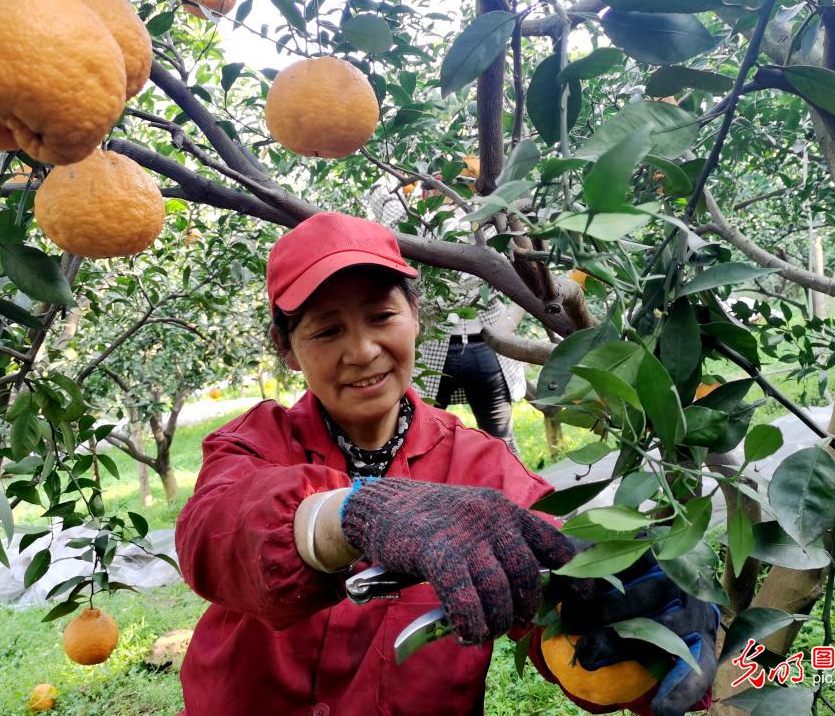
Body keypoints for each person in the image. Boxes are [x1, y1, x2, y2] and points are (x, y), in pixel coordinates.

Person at [174, 211, 718, 716]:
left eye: (381, 315)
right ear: (287, 347)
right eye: (326, 330)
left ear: (416, 316)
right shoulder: (253, 442)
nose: (363, 351)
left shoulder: (483, 467)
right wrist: (352, 515)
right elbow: (214, 533)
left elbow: (555, 596)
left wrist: (639, 621)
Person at [365, 179, 524, 454]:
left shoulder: (429, 225)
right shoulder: (479, 222)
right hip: (463, 347)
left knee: (431, 440)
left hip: (461, 347)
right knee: (494, 442)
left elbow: (381, 201)